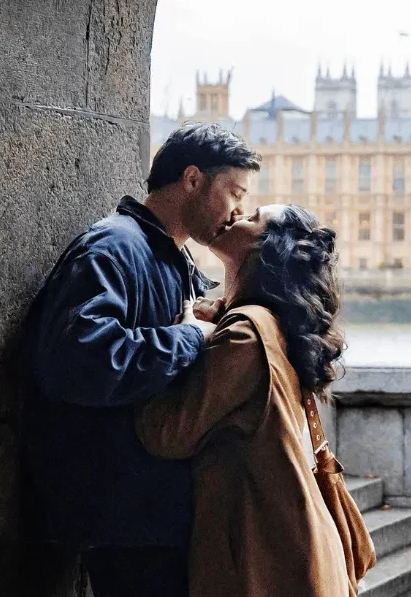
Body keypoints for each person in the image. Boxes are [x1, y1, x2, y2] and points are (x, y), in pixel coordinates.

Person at [20, 123, 260, 597]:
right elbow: (81, 361)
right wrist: (190, 338)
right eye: (234, 192)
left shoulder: (168, 257)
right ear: (192, 179)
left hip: (150, 509)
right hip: (123, 513)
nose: (238, 211)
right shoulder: (113, 246)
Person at [137, 204, 374, 597]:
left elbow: (166, 433)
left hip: (262, 559)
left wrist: (183, 339)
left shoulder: (246, 335)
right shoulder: (271, 323)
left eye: (254, 216)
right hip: (298, 548)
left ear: (266, 247)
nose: (238, 212)